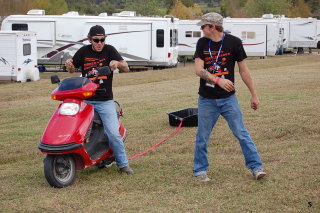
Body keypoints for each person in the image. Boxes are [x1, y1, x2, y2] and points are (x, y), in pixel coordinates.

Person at [193, 12, 266, 181]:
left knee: (241, 133)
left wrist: (254, 95)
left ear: (212, 27)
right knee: (202, 136)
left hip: (228, 99)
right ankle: (200, 170)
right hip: (207, 100)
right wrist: (217, 80)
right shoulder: (202, 43)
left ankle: (256, 167)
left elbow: (244, 70)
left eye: (203, 26)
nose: (201, 28)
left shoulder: (234, 42)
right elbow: (198, 70)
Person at [65, 25, 133, 174]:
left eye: (102, 39)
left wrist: (118, 64)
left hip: (105, 101)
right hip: (85, 100)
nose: (99, 43)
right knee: (72, 127)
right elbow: (72, 69)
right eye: (96, 40)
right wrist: (69, 65)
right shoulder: (83, 51)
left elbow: (126, 67)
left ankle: (123, 164)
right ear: (90, 39)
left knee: (113, 134)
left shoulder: (110, 50)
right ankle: (71, 157)